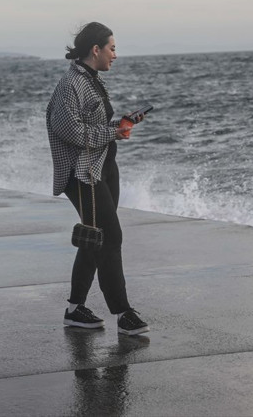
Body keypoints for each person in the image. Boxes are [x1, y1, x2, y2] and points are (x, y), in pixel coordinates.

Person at [46, 21, 150, 336]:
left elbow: (92, 123)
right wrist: (112, 131)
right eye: (112, 48)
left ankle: (75, 309)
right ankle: (123, 313)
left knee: (95, 238)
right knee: (111, 237)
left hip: (103, 167)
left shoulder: (91, 80)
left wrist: (119, 124)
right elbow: (71, 130)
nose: (115, 55)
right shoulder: (70, 84)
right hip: (82, 174)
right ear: (96, 49)